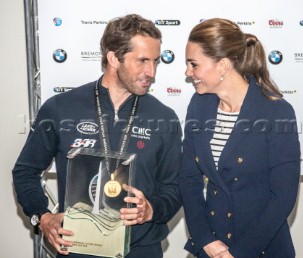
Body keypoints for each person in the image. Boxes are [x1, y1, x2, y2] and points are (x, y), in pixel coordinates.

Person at [13, 14, 182, 258]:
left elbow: (173, 188)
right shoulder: (60, 108)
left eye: (156, 61)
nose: (151, 72)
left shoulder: (165, 118)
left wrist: (152, 210)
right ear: (114, 58)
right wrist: (43, 216)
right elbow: (25, 171)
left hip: (141, 250)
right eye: (142, 61)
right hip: (78, 249)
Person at [179, 18, 300, 258]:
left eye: (194, 64)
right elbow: (188, 178)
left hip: (262, 249)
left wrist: (240, 253)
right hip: (212, 248)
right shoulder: (199, 105)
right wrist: (205, 240)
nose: (188, 72)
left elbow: (283, 196)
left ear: (222, 65)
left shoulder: (276, 112)